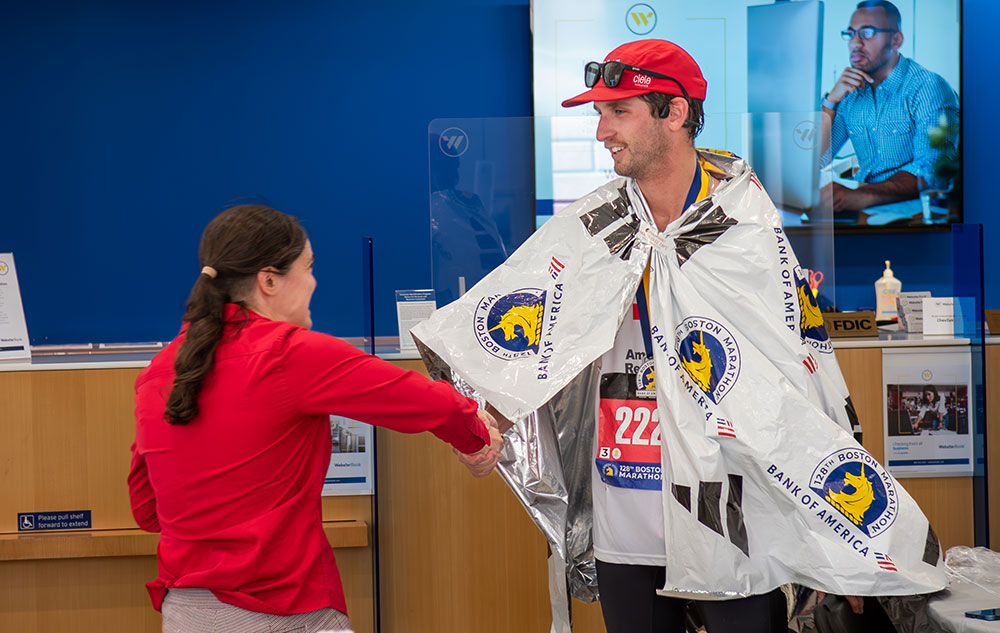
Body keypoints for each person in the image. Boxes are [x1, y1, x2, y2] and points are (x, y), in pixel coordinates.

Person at [457, 39, 788, 633]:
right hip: (626, 516)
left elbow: (801, 368)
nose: (602, 130)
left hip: (729, 514)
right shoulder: (595, 228)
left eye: (619, 111)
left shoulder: (745, 225)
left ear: (675, 113)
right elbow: (539, 338)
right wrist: (488, 421)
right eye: (599, 114)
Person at [128, 204, 502, 633]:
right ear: (268, 281)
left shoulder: (158, 372)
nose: (314, 281)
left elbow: (147, 510)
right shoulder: (289, 354)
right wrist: (476, 439)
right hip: (280, 609)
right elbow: (432, 403)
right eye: (307, 267)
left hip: (184, 613)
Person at [820, 0, 959, 212]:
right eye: (850, 34)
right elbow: (817, 159)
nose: (855, 43)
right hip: (863, 209)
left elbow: (931, 172)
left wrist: (860, 196)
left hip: (911, 215)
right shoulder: (849, 92)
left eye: (866, 32)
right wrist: (830, 102)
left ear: (896, 39)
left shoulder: (927, 88)